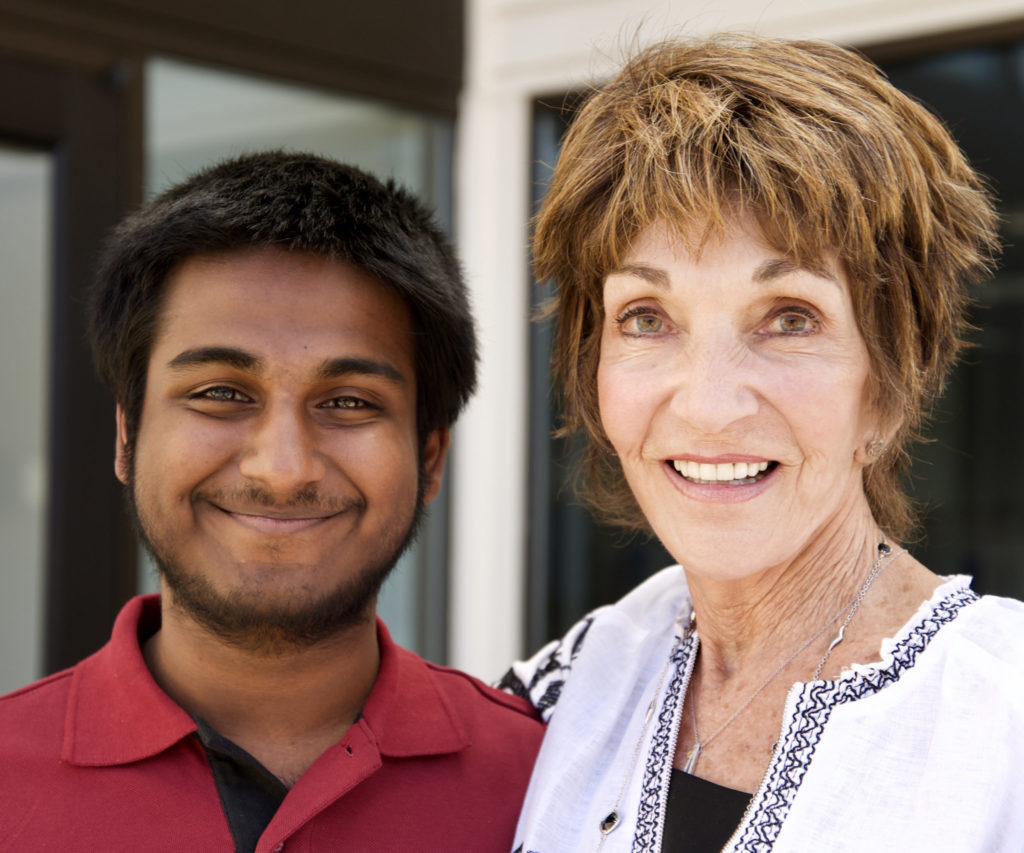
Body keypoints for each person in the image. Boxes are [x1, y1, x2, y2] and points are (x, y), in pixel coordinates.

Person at [502, 35, 1024, 852]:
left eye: (790, 317)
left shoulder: (1003, 724)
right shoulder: (566, 690)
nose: (709, 406)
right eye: (647, 318)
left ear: (891, 378)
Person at [0, 151, 542, 852]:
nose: (282, 470)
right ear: (128, 436)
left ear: (430, 457)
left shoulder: (557, 786)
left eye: (348, 402)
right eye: (221, 393)